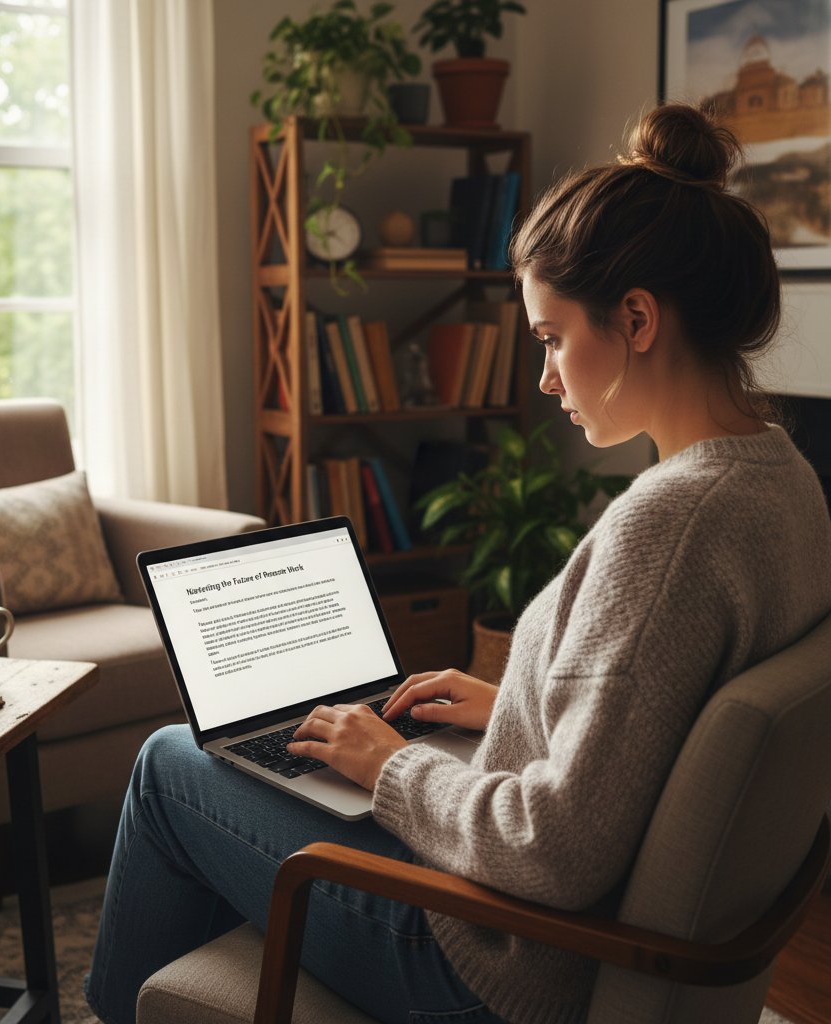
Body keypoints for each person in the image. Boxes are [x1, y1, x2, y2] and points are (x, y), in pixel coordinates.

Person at [85, 102, 831, 1024]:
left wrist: (389, 768)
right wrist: (511, 703)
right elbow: (653, 712)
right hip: (564, 930)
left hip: (494, 961)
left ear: (637, 318)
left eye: (553, 338)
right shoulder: (783, 479)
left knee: (168, 764)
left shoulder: (669, 528)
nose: (547, 377)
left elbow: (556, 850)